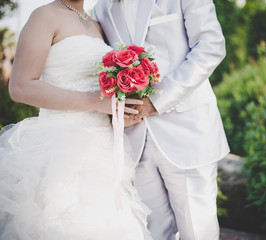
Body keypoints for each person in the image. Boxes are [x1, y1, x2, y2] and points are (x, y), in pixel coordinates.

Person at [0, 0, 152, 239]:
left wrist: (118, 111)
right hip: (61, 146)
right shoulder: (44, 16)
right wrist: (94, 101)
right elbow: (20, 87)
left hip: (103, 148)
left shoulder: (98, 22)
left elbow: (100, 89)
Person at [94, 0, 230, 239]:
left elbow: (211, 46)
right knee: (151, 232)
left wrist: (156, 101)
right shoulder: (101, 8)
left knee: (197, 230)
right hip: (133, 142)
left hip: (187, 132)